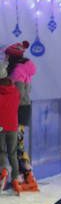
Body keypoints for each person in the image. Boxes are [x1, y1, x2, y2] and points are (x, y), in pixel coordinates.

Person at [5, 40, 39, 191]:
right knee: (17, 144)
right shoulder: (24, 69)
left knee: (16, 145)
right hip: (23, 110)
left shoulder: (17, 71)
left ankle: (25, 173)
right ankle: (25, 174)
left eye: (7, 57)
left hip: (17, 111)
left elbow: (16, 95)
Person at [0, 58, 22, 193]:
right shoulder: (15, 93)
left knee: (1, 151)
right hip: (13, 126)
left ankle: (3, 170)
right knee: (13, 153)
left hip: (1, 127)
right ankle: (15, 179)